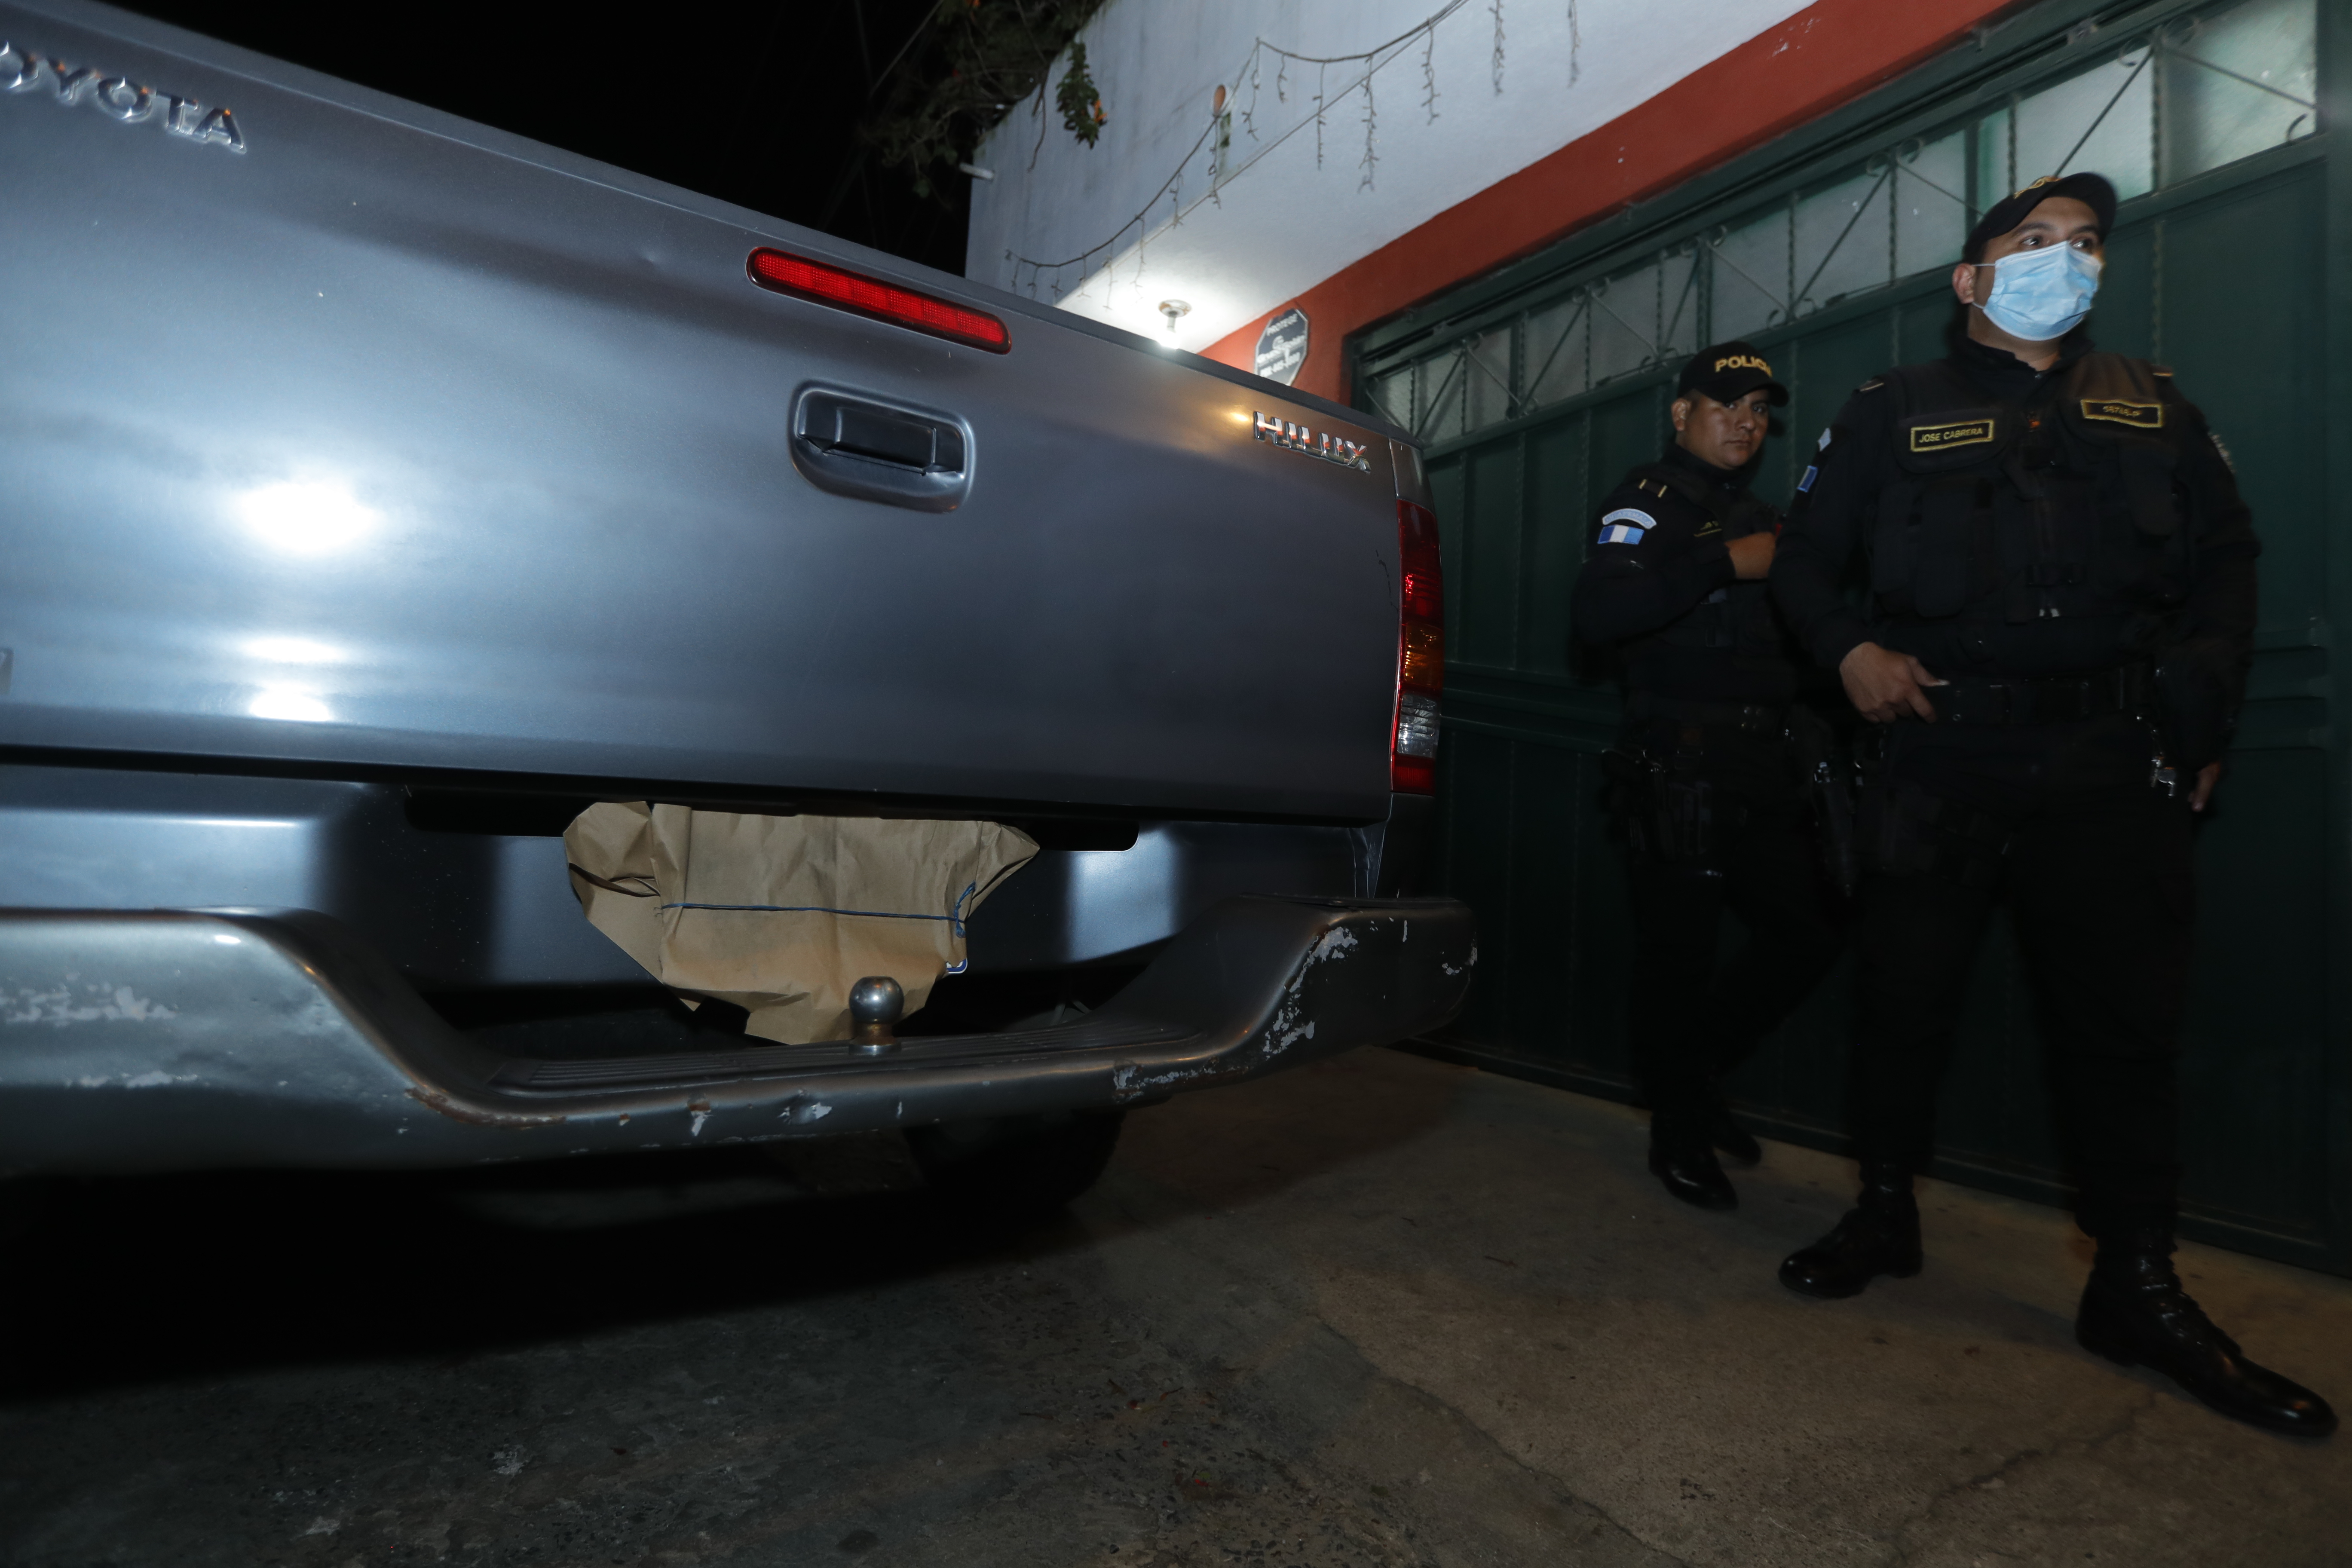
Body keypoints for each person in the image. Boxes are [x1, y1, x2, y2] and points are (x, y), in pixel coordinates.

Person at [1768, 173, 2334, 1436]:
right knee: (1903, 1003)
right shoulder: (1888, 409)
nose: (2066, 261)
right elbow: (1806, 561)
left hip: (2105, 763)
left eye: (2084, 245)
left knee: (2125, 1030)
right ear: (1971, 279)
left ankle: (2136, 1282)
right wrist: (1848, 652)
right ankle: (1885, 1210)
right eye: (2033, 242)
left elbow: (2226, 572)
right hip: (1938, 753)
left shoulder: (2157, 406)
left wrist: (2201, 720)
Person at [1571, 342, 1846, 1213]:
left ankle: (1688, 1079)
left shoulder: (1768, 512)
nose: (1747, 424)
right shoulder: (1645, 503)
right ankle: (1680, 1131)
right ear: (1682, 414)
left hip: (1766, 764)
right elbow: (1600, 614)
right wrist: (1728, 562)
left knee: (1808, 930)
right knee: (1679, 957)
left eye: (1760, 412)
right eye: (1728, 407)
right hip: (1679, 762)